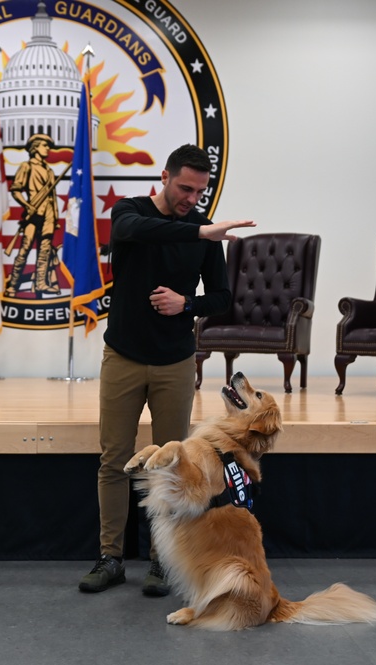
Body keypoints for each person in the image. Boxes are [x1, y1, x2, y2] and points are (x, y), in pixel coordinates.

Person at [78, 144, 256, 595]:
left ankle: (162, 561)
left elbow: (221, 297)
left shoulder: (204, 230)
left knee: (172, 464)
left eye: (199, 191)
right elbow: (138, 229)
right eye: (184, 188)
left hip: (176, 360)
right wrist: (199, 233)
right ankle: (110, 557)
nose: (191, 199)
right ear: (163, 176)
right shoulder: (130, 213)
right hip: (122, 355)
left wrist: (187, 304)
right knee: (114, 460)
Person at [6, 133, 61, 296]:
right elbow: (15, 190)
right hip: (33, 214)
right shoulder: (26, 166)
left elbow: (53, 197)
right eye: (45, 146)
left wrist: (55, 217)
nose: (48, 149)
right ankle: (13, 286)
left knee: (44, 252)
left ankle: (41, 284)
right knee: (24, 250)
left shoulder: (50, 171)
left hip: (48, 215)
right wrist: (27, 206)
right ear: (35, 147)